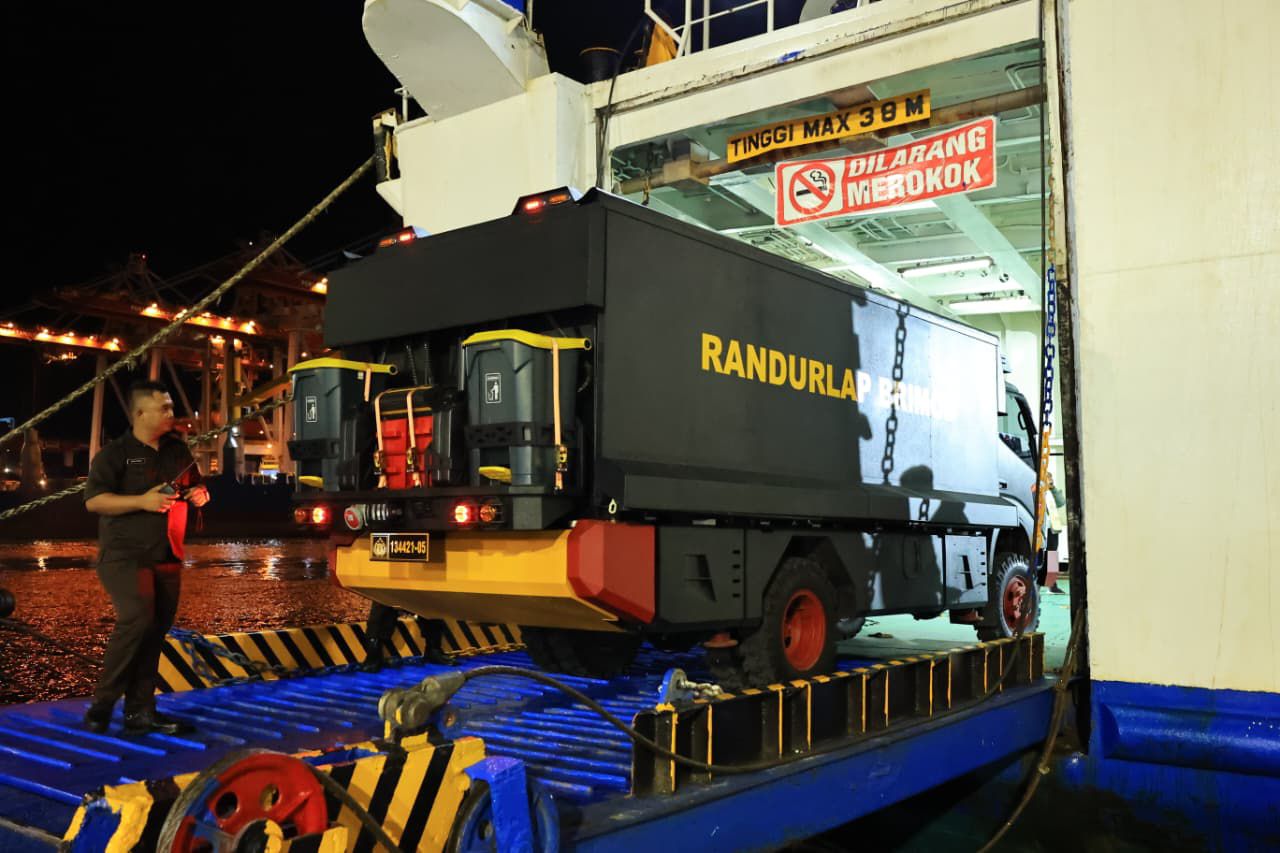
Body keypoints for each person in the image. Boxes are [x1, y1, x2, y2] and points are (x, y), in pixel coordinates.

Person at [82, 379, 210, 734]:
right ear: (140, 413)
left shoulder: (177, 450)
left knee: (155, 630)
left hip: (168, 553)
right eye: (164, 407)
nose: (172, 412)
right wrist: (143, 501)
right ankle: (102, 705)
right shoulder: (114, 454)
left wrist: (199, 494)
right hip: (125, 555)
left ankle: (140, 712)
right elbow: (94, 501)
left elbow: (195, 485)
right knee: (137, 618)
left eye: (171, 406)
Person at [1043, 472, 1067, 594]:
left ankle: (1052, 585)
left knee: (1052, 556)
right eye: (1048, 478)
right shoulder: (1036, 489)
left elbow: (1061, 502)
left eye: (1051, 478)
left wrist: (1052, 488)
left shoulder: (1051, 493)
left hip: (1052, 528)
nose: (1050, 480)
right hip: (1040, 528)